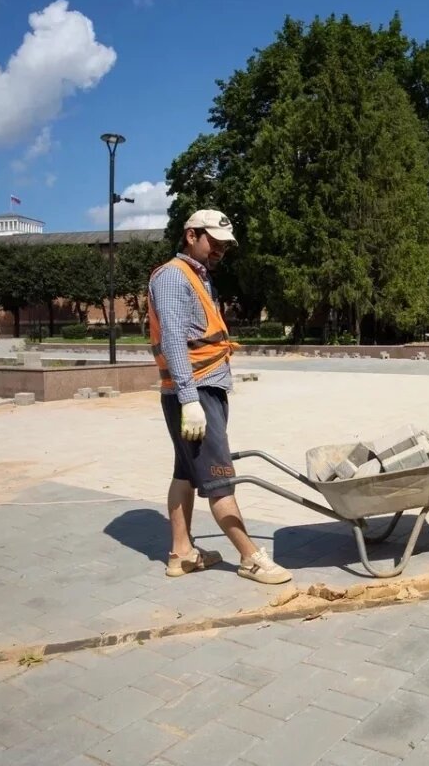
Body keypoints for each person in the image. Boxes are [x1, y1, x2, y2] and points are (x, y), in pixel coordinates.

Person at [147, 209, 292, 584]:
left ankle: (182, 553)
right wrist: (189, 398)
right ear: (191, 235)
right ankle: (250, 558)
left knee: (186, 473)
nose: (220, 250)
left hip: (200, 389)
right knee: (218, 478)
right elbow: (174, 338)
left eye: (225, 245)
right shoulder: (173, 278)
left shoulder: (199, 277)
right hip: (194, 393)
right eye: (214, 241)